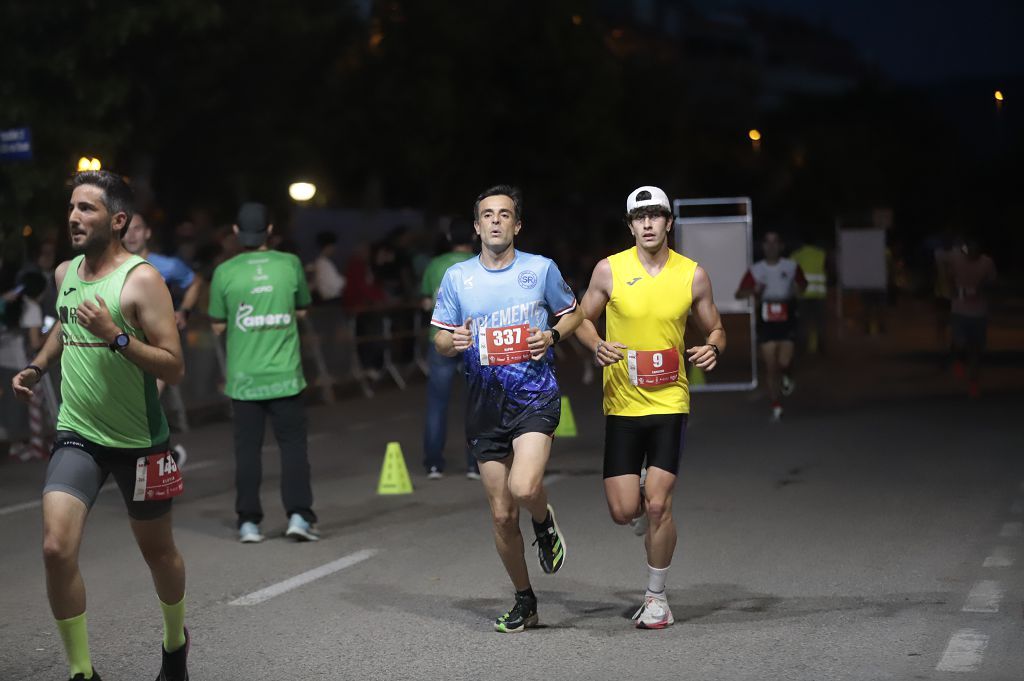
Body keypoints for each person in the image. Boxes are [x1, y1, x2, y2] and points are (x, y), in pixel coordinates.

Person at [11, 170, 189, 681]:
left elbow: (174, 366)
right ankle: (81, 672)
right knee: (54, 548)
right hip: (79, 433)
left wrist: (116, 336)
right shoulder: (66, 274)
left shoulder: (142, 280)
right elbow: (65, 328)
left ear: (118, 220)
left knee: (159, 554)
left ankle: (175, 642)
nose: (73, 217)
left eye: (86, 209)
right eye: (71, 207)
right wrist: (38, 365)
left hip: (140, 440)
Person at [432, 185, 582, 632]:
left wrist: (552, 336)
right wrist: (452, 341)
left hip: (534, 395)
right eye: (487, 215)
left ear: (517, 225)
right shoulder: (458, 278)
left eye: (505, 214)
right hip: (484, 403)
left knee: (523, 485)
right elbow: (439, 337)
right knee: (500, 514)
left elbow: (572, 314)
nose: (496, 221)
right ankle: (525, 600)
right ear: (477, 226)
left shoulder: (541, 270)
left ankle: (542, 519)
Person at [576, 186, 725, 629]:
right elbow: (581, 317)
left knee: (659, 506)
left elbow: (714, 325)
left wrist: (714, 346)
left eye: (655, 216)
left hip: (670, 400)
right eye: (639, 217)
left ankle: (657, 598)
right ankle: (638, 498)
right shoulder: (609, 270)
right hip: (621, 402)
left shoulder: (692, 275)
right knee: (625, 511)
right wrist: (597, 345)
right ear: (630, 225)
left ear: (668, 222)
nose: (647, 224)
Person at [208, 202, 319, 543]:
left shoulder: (224, 272)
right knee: (293, 448)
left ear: (237, 233)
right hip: (286, 376)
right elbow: (302, 308)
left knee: (247, 451)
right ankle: (299, 516)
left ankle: (248, 522)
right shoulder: (290, 264)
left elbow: (216, 324)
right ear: (271, 230)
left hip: (244, 381)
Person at [123, 213, 201, 466]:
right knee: (133, 408)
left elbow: (195, 281)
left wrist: (184, 310)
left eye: (137, 229)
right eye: (127, 230)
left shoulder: (165, 265)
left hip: (160, 347)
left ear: (147, 233)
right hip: (126, 346)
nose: (132, 235)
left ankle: (159, 458)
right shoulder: (115, 266)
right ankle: (165, 456)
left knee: (144, 404)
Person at [420, 218, 477, 479]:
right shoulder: (480, 263)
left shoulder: (435, 265)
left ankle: (433, 464)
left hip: (440, 338)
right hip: (473, 339)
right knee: (476, 401)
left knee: (437, 403)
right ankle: (475, 464)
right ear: (475, 236)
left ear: (448, 237)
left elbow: (425, 303)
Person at [736, 231, 806, 421]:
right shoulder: (756, 270)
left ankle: (787, 374)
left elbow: (802, 286)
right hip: (766, 318)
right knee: (770, 365)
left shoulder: (791, 267)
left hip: (787, 316)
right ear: (763, 247)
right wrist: (754, 290)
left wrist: (796, 288)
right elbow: (739, 293)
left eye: (775, 242)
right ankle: (776, 403)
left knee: (784, 361)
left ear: (781, 246)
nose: (771, 246)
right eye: (768, 242)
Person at [947, 237, 997, 398]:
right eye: (970, 249)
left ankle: (974, 385)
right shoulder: (956, 259)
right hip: (960, 310)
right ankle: (958, 361)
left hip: (979, 312)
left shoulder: (987, 263)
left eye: (976, 249)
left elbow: (992, 283)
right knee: (960, 343)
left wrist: (982, 289)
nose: (972, 252)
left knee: (975, 350)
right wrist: (952, 291)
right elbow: (948, 275)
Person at [789, 233, 828, 354]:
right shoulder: (821, 254)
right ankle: (822, 348)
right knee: (820, 322)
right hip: (819, 294)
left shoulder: (796, 255)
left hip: (802, 295)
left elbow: (789, 274)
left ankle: (801, 349)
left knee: (802, 323)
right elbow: (827, 270)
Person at [310, 231, 346, 303]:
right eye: (333, 246)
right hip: (331, 301)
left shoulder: (322, 263)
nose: (334, 249)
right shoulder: (323, 264)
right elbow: (334, 286)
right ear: (328, 247)